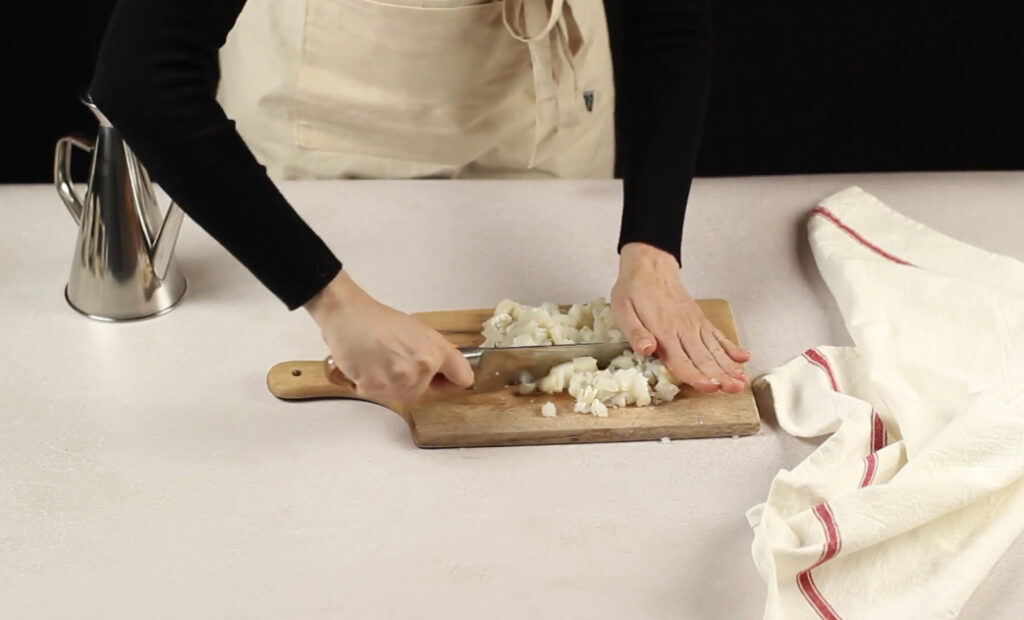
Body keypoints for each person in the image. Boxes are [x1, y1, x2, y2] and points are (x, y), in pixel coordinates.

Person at [89, 0, 751, 404]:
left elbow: (669, 19)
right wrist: (334, 301)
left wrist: (652, 250)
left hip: (538, 107)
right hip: (329, 114)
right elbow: (139, 76)